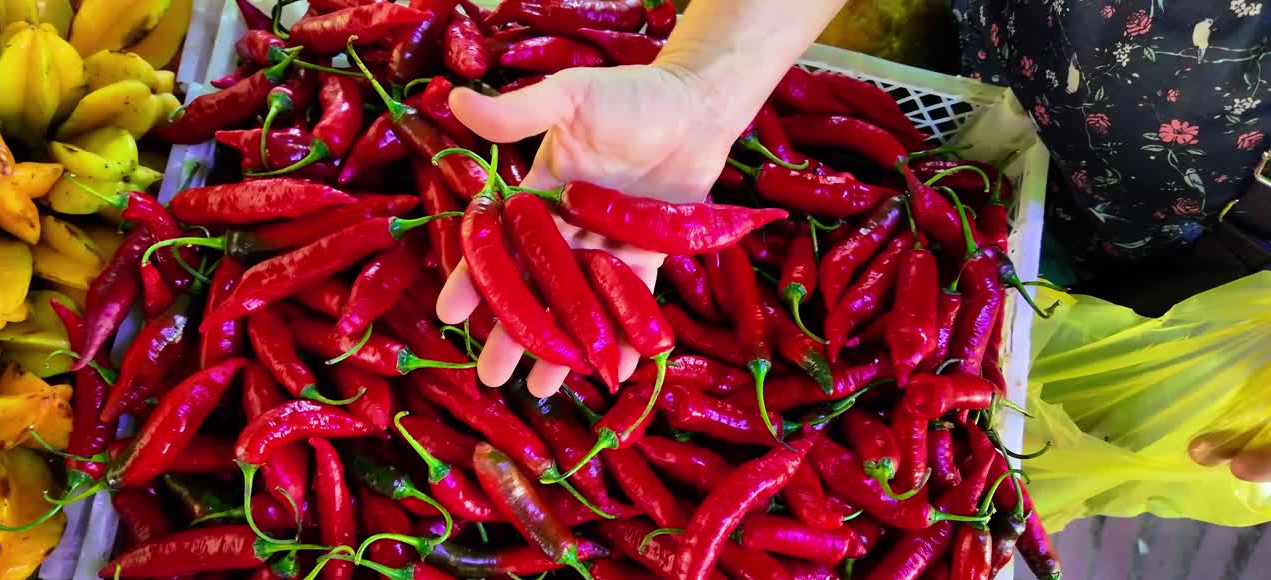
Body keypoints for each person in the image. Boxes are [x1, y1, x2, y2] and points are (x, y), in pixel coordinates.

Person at [436, 0, 1270, 482]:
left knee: (1040, 399)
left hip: (1230, 298)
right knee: (987, 365)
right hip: (1013, 83)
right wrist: (709, 79)